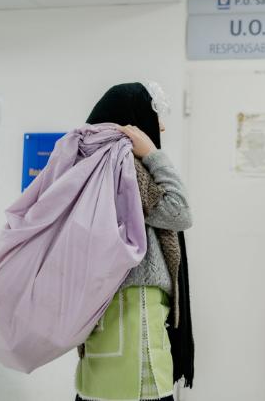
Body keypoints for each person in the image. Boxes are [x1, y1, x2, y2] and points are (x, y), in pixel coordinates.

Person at [75, 82, 194, 401]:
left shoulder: (93, 164)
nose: (161, 127)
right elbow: (179, 211)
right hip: (134, 310)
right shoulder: (125, 167)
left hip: (110, 308)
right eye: (154, 116)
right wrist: (153, 153)